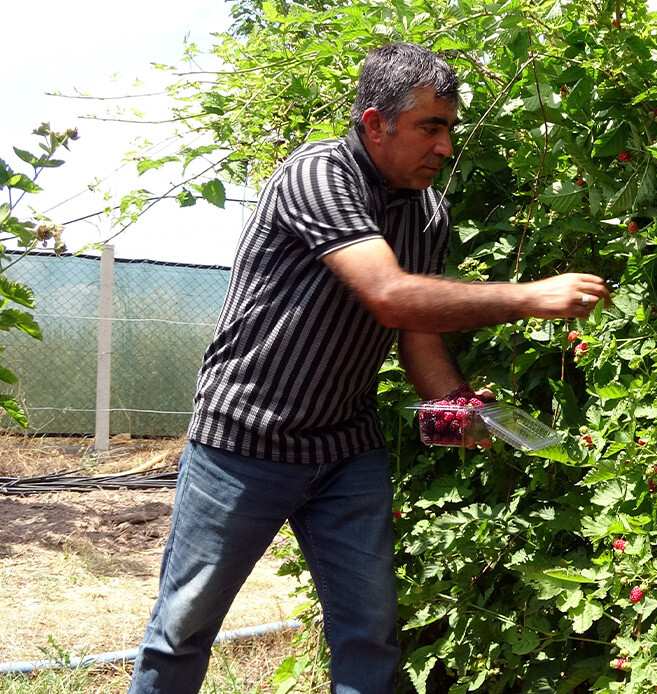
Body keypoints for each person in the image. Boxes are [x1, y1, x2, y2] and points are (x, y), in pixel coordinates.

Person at [126, 42, 610, 694]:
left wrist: (454, 406)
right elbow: (387, 294)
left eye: (449, 130)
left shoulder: (428, 212)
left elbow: (419, 338)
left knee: (369, 635)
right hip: (244, 442)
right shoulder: (318, 176)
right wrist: (529, 297)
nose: (444, 147)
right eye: (429, 128)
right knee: (183, 629)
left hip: (343, 451)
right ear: (376, 123)